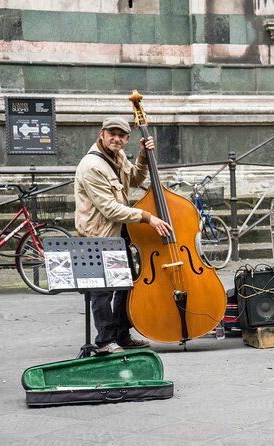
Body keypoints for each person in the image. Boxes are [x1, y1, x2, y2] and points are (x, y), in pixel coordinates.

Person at [74, 116, 172, 354]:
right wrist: (148, 217)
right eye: (112, 133)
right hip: (96, 237)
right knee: (103, 291)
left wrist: (142, 156)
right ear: (102, 133)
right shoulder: (92, 166)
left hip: (117, 235)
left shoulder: (117, 157)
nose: (116, 138)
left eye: (121, 135)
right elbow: (109, 208)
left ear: (127, 139)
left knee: (126, 285)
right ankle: (105, 341)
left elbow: (136, 179)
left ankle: (122, 334)